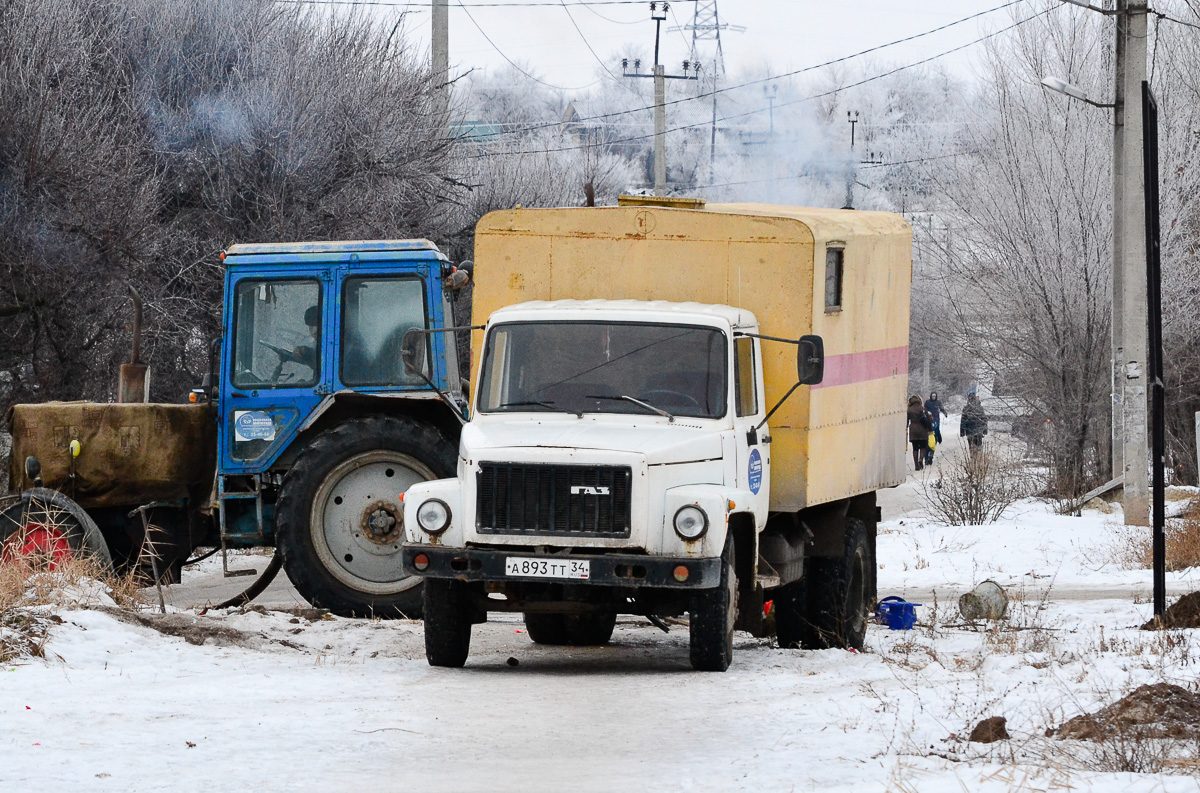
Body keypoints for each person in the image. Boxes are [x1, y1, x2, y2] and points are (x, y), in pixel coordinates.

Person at [907, 394, 932, 471]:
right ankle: (920, 459)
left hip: (913, 429)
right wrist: (931, 429)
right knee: (923, 446)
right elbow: (928, 420)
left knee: (915, 448)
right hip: (922, 429)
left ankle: (916, 466)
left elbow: (906, 421)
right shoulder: (923, 408)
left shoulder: (909, 410)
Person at [960, 392, 989, 457]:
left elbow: (963, 421)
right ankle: (979, 459)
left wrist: (962, 432)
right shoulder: (980, 407)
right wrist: (985, 430)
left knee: (971, 447)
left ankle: (973, 459)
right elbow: (984, 419)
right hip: (979, 431)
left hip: (969, 431)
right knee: (979, 446)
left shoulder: (966, 408)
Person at [924, 391, 945, 465]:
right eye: (932, 396)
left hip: (936, 421)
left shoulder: (938, 402)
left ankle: (931, 455)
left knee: (935, 437)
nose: (933, 397)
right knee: (927, 440)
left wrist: (944, 412)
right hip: (928, 421)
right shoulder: (927, 402)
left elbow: (942, 408)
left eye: (934, 396)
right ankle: (926, 457)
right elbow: (924, 410)